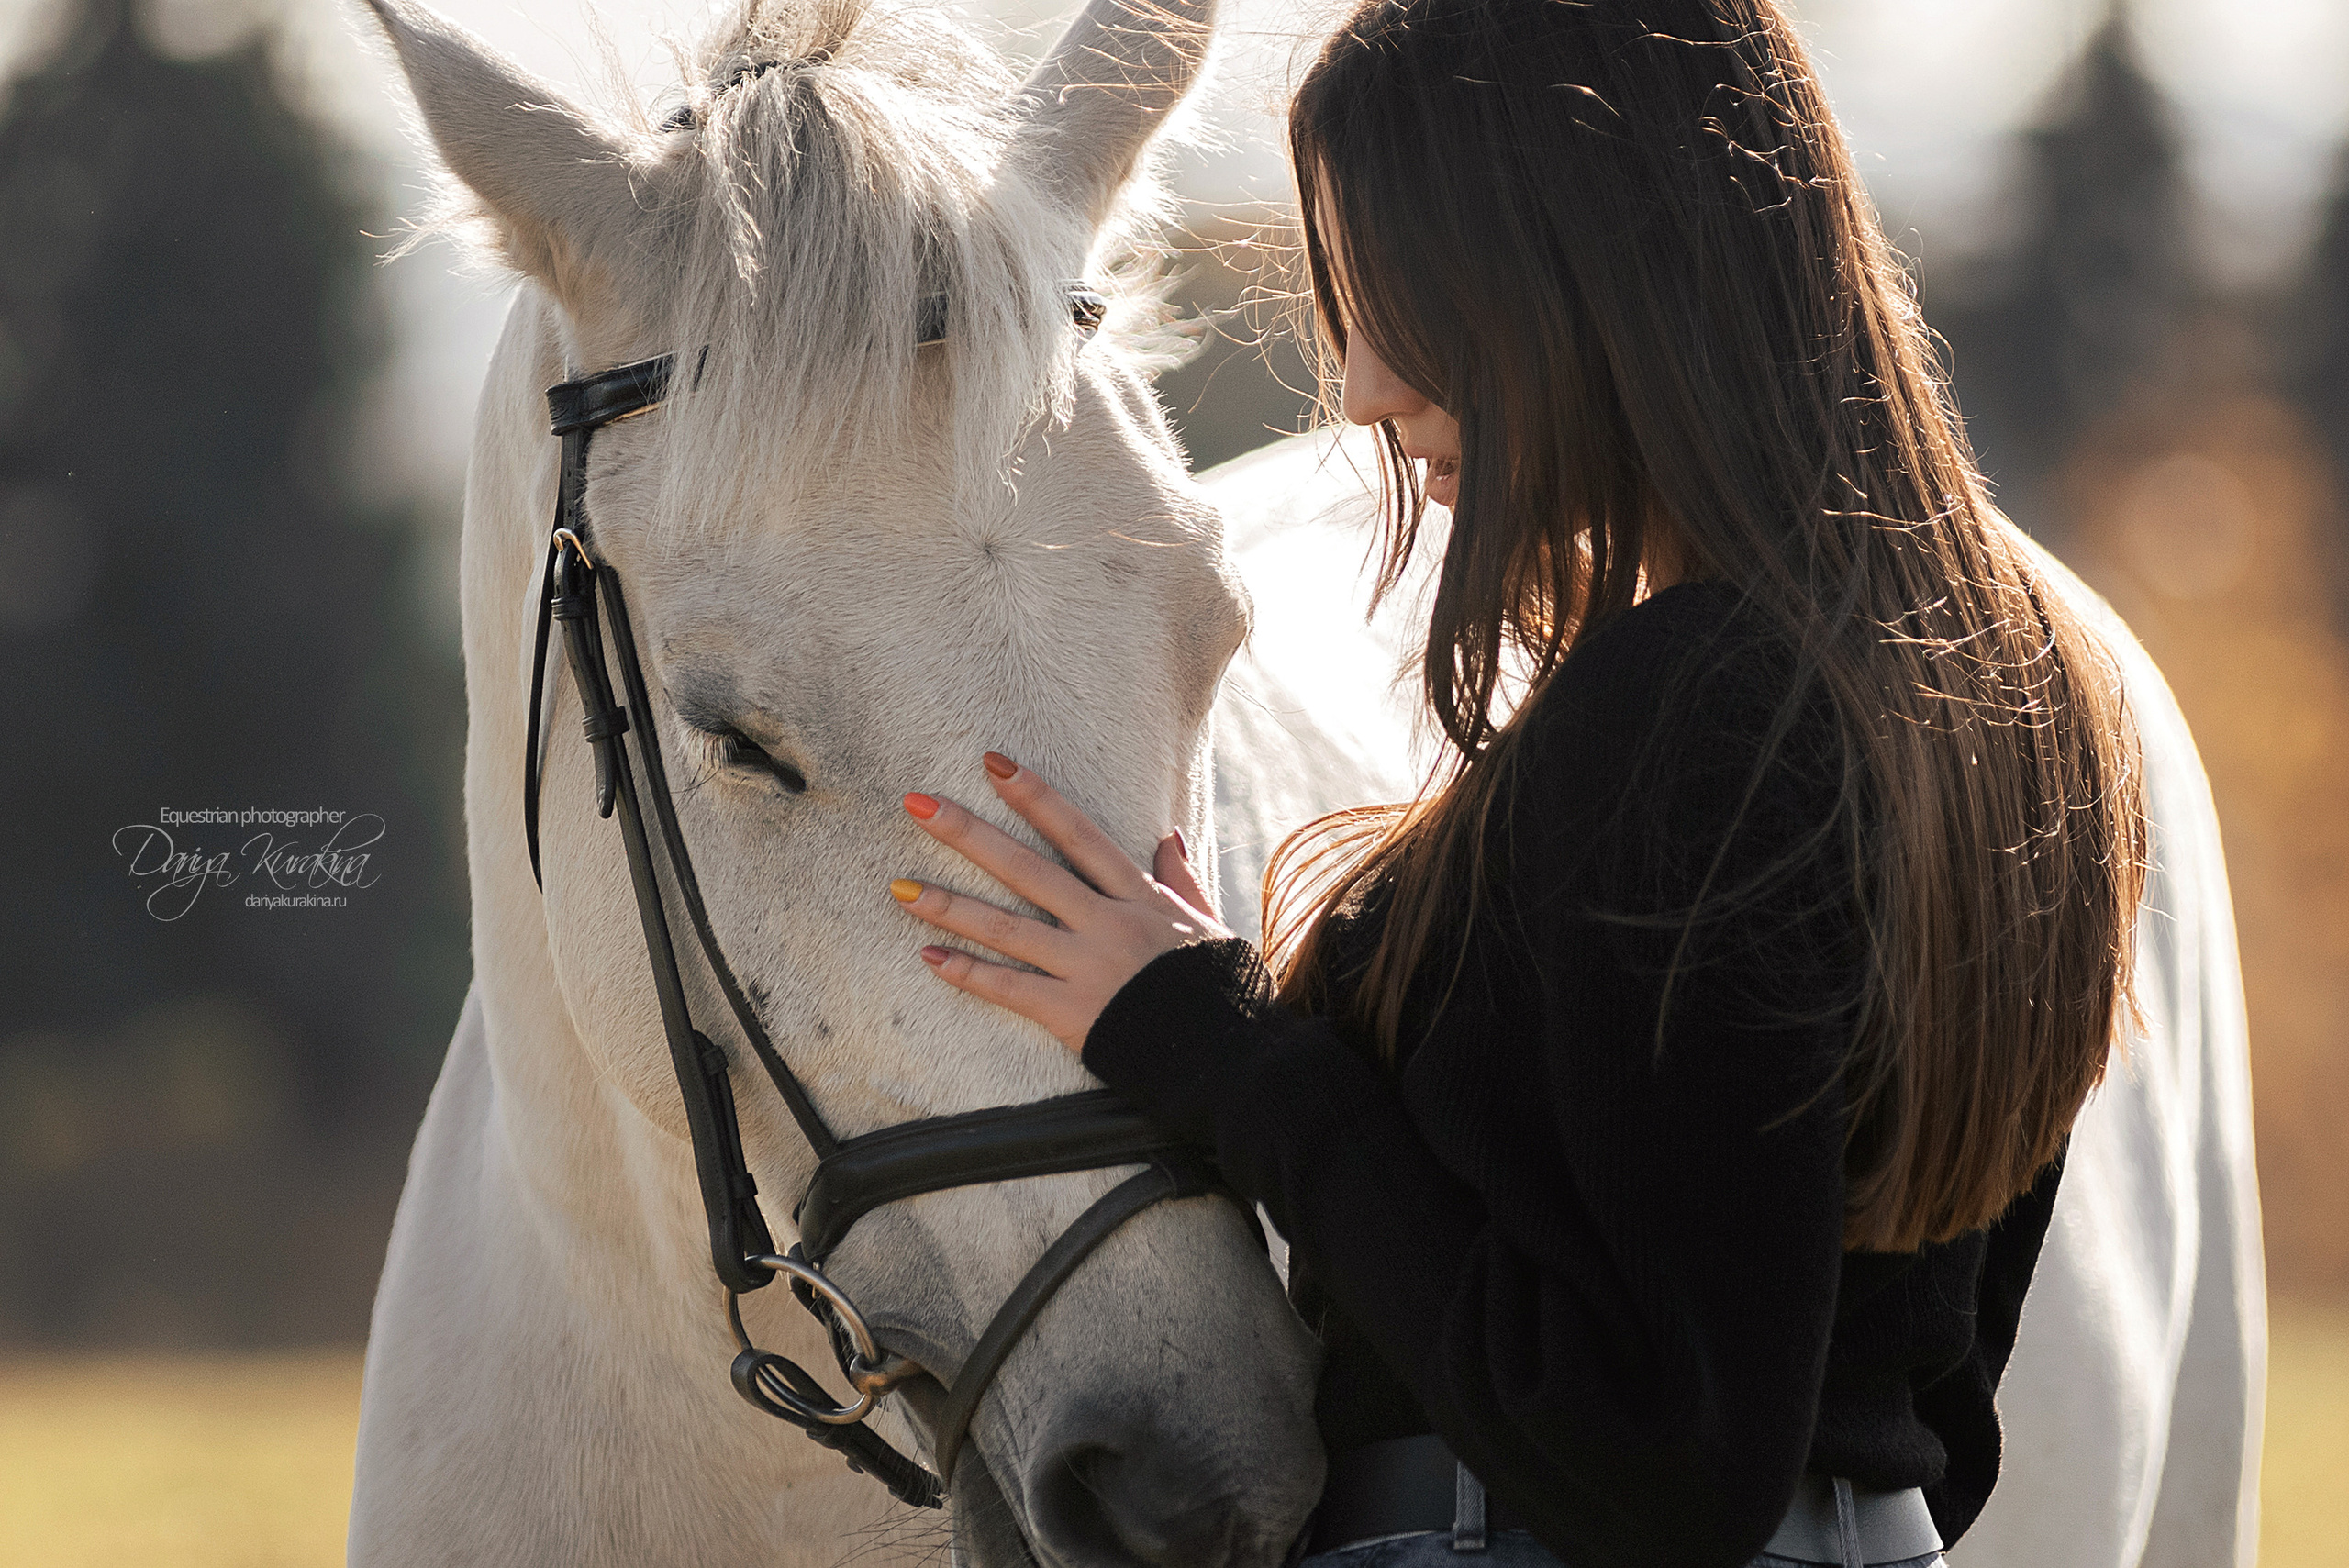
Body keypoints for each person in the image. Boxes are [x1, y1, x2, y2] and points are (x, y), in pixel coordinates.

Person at [882, 0, 2148, 1563]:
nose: (1356, 385)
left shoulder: (1684, 716)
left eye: (1399, 294)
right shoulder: (2011, 707)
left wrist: (1214, 1049)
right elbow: (1917, 1401)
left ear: (1576, 263)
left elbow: (1660, 1455)